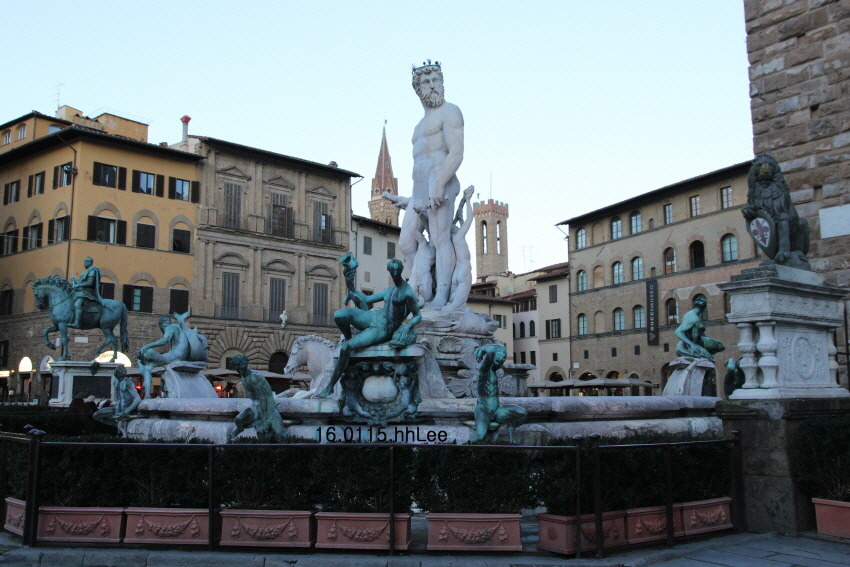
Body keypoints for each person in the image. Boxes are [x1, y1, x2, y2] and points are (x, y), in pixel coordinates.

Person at [396, 61, 465, 308]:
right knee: (406, 243)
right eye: (427, 81)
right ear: (418, 88)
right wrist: (410, 198)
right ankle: (421, 289)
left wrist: (439, 183)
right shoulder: (418, 126)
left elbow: (456, 152)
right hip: (419, 188)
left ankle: (441, 295)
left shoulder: (450, 112)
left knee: (439, 239)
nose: (433, 85)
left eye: (436, 80)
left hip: (440, 180)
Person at [317, 258, 422, 398]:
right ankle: (347, 338)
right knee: (339, 315)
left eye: (397, 270)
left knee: (346, 348)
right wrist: (351, 287)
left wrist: (407, 326)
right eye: (392, 270)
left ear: (401, 270)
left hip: (383, 329)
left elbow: (418, 315)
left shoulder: (407, 292)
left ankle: (330, 387)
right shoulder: (390, 289)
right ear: (389, 271)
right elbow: (367, 300)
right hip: (374, 317)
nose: (395, 273)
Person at [138, 312, 208, 397]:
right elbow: (203, 338)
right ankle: (147, 383)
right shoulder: (182, 328)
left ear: (163, 323)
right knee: (148, 366)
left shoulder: (170, 327)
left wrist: (146, 346)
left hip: (173, 357)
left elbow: (165, 340)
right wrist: (204, 349)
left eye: (161, 327)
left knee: (144, 356)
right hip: (180, 357)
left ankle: (147, 393)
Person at [471, 344, 527, 443]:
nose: (501, 361)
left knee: (522, 413)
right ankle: (463, 448)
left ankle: (511, 428)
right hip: (484, 409)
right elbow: (490, 351)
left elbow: (492, 351)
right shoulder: (485, 370)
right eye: (499, 359)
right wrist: (483, 349)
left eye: (503, 360)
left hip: (497, 410)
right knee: (480, 437)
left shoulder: (493, 371)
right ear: (493, 358)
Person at [229, 355, 286, 441]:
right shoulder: (244, 377)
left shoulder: (254, 377)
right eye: (238, 366)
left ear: (245, 365)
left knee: (280, 434)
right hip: (255, 407)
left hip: (268, 408)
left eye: (241, 366)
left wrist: (264, 420)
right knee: (238, 420)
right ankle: (238, 431)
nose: (240, 368)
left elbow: (263, 398)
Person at [675, 296, 725, 362]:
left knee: (720, 346)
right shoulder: (693, 318)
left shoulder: (691, 314)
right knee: (719, 348)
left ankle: (704, 354)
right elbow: (678, 332)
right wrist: (692, 344)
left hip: (698, 341)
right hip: (694, 343)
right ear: (704, 307)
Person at [68, 257, 102, 328]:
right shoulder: (85, 272)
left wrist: (78, 285)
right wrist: (75, 280)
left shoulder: (92, 271)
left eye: (87, 261)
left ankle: (77, 323)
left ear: (91, 263)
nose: (85, 263)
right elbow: (81, 281)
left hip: (86, 292)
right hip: (80, 291)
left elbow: (89, 283)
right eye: (84, 261)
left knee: (77, 304)